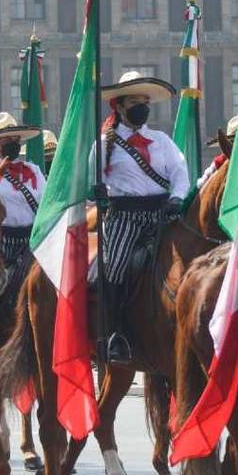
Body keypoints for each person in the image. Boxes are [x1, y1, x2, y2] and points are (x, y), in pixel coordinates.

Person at [95, 71, 189, 363]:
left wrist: (177, 199)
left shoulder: (161, 140)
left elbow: (181, 174)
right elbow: (89, 184)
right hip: (124, 218)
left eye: (144, 101)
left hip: (162, 215)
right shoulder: (102, 144)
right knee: (115, 267)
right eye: (134, 101)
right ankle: (115, 333)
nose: (141, 106)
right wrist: (96, 193)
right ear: (120, 107)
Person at [0, 112, 45, 363]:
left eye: (16, 138)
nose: (13, 143)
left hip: (31, 241)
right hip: (0, 243)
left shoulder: (34, 170)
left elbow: (44, 203)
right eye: (6, 139)